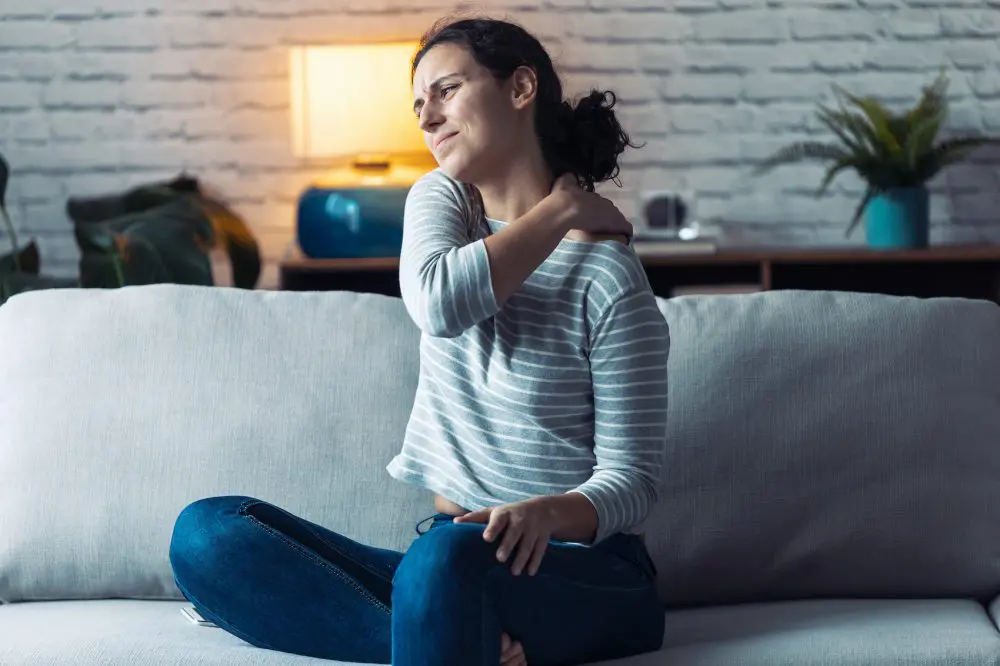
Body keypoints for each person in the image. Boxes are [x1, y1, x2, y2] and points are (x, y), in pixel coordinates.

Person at [168, 15, 670, 666]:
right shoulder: (441, 203)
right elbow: (438, 303)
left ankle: (455, 628)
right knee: (207, 534)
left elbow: (633, 484)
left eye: (447, 89)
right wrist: (562, 209)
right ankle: (468, 640)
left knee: (443, 562)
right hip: (451, 558)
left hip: (582, 572)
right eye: (418, 105)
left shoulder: (605, 277)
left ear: (521, 88)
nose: (427, 118)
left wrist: (545, 514)